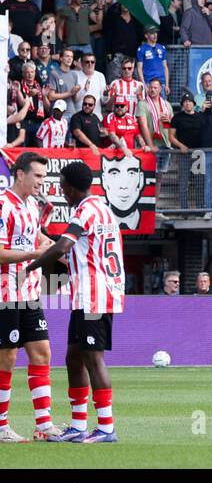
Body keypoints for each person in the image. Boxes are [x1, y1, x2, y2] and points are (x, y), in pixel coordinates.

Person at [31, 161, 125, 443]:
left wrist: (31, 266)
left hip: (95, 296)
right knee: (74, 357)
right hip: (90, 294)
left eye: (63, 187)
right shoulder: (104, 209)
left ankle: (106, 428)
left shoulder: (85, 211)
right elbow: (75, 254)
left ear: (71, 188)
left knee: (93, 359)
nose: (63, 192)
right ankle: (78, 425)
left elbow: (62, 247)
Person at [0, 153, 57, 442]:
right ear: (20, 174)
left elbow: (36, 239)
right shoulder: (2, 205)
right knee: (7, 356)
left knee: (42, 352)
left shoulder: (33, 205)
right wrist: (35, 254)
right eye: (37, 176)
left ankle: (44, 425)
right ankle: (1, 426)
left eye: (43, 178)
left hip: (30, 291)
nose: (41, 182)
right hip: (5, 292)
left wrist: (51, 245)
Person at [136, 26, 168, 94]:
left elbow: (165, 67)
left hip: (161, 83)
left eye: (156, 33)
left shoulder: (162, 48)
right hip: (148, 83)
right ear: (146, 35)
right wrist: (143, 84)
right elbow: (139, 68)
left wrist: (167, 85)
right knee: (149, 104)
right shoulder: (141, 49)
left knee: (161, 104)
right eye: (152, 33)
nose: (155, 35)